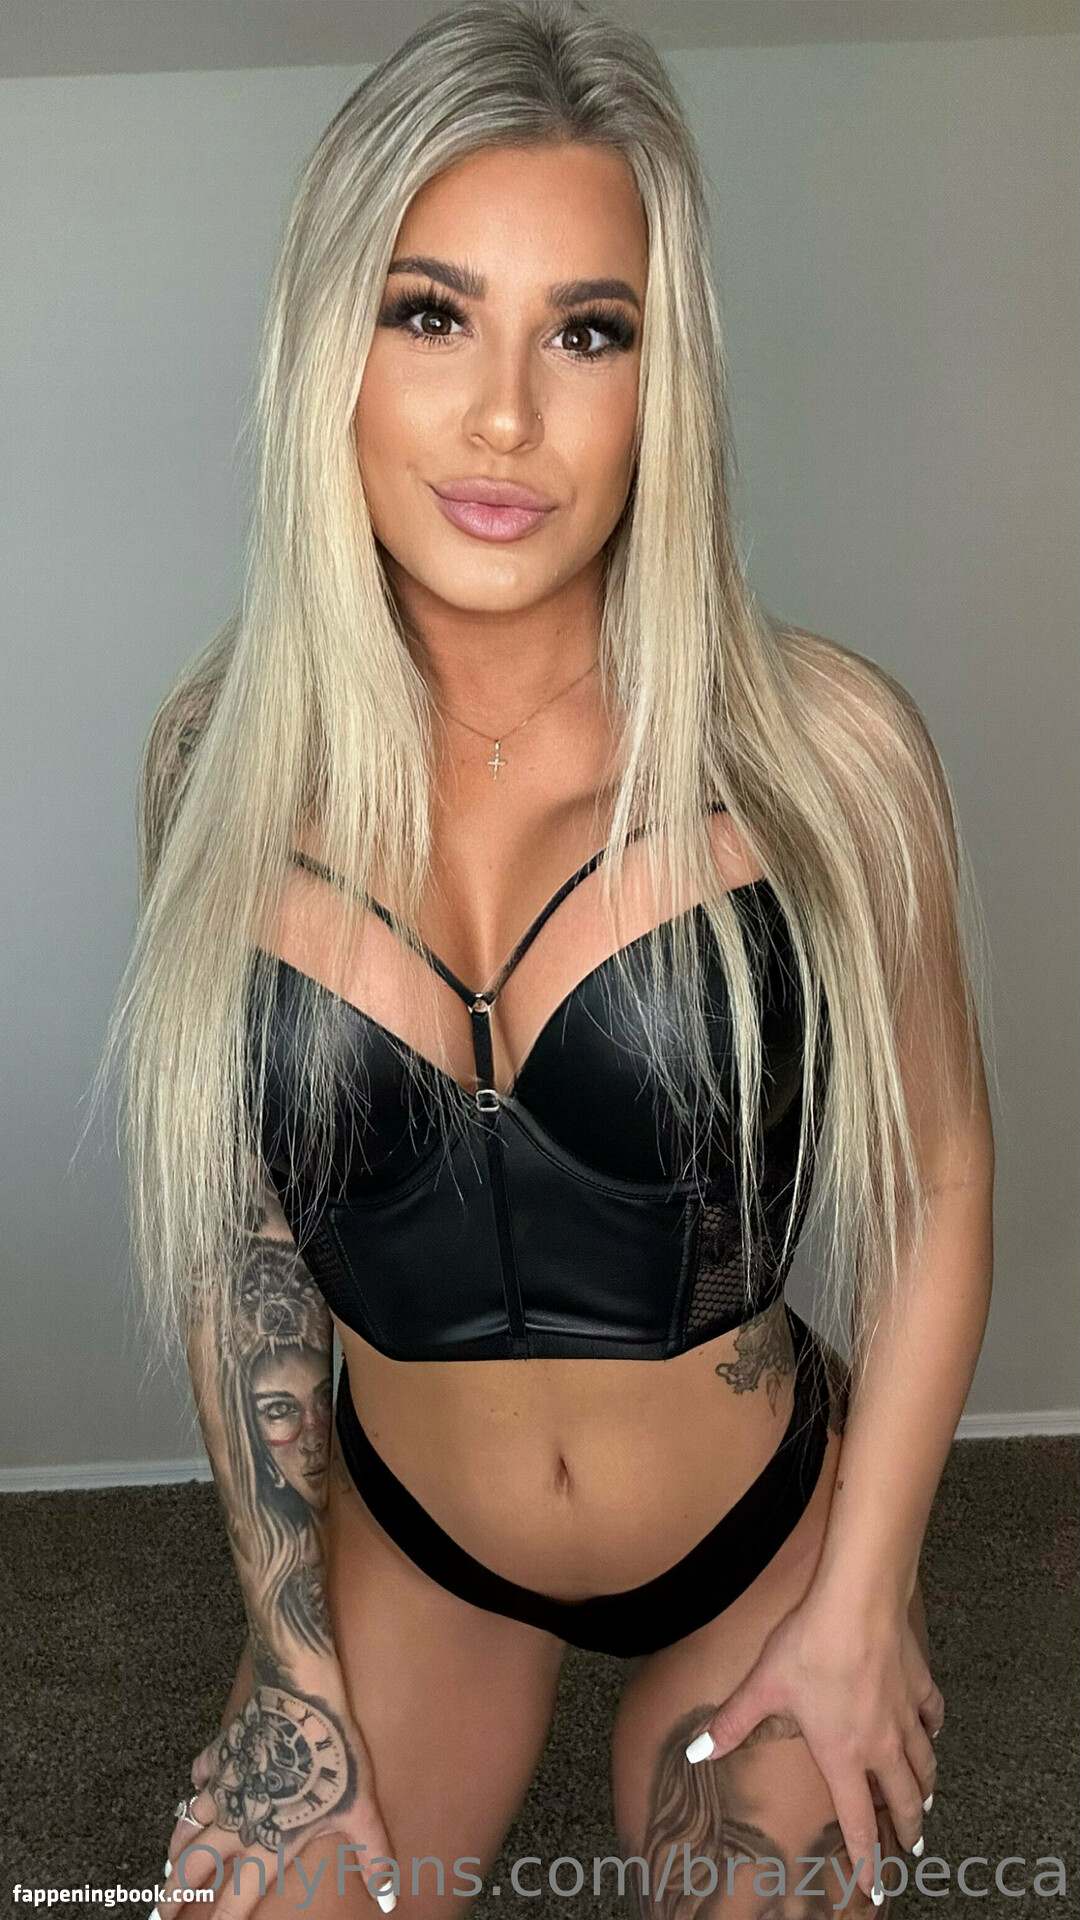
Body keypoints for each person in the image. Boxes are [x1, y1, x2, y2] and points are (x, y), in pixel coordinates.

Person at [102, 2, 994, 1914]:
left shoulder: (829, 753)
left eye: (590, 332)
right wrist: (291, 1668)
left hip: (757, 1536)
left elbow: (937, 1174)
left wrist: (863, 1602)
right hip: (418, 1548)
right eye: (432, 315)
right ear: (328, 350)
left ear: (667, 383)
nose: (505, 416)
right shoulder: (213, 765)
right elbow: (247, 1245)